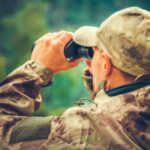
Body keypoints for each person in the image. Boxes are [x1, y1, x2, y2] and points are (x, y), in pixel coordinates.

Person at [0, 7, 150, 150]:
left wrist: (36, 69)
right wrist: (100, 76)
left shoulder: (81, 131)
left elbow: (3, 133)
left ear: (105, 64)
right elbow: (119, 110)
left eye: (95, 51)